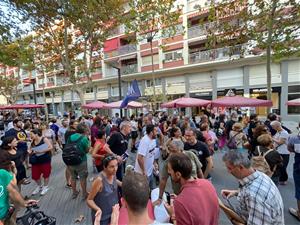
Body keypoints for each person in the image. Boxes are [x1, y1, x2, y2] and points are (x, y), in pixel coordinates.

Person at [221, 150, 284, 225]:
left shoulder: (254, 196)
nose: (228, 171)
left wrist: (234, 220)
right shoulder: (260, 175)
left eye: (230, 168)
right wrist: (236, 192)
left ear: (241, 167)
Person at [164, 153, 219, 225]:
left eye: (170, 170)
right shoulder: (207, 184)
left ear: (178, 174)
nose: (168, 172)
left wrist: (173, 215)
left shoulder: (180, 203)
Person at [154, 142, 203, 206]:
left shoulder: (191, 155)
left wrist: (202, 186)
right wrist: (160, 198)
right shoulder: (168, 162)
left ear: (181, 150)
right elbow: (163, 180)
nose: (171, 154)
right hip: (179, 194)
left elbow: (199, 171)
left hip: (195, 192)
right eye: (170, 150)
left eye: (174, 151)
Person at [0, 151, 37, 225]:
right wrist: (13, 171)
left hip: (4, 214)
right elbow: (13, 188)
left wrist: (23, 203)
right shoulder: (3, 173)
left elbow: (12, 191)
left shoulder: (2, 173)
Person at [87, 154, 121, 225]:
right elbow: (89, 200)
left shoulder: (113, 173)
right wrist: (98, 209)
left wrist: (125, 185)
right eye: (112, 166)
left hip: (113, 212)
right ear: (104, 167)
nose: (115, 169)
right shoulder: (99, 180)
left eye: (116, 165)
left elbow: (115, 181)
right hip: (102, 218)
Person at [68, 123, 90, 199]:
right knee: (82, 177)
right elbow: (87, 150)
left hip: (70, 160)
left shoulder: (71, 137)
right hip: (81, 160)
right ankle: (84, 193)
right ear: (84, 130)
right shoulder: (84, 138)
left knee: (73, 177)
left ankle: (74, 192)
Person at [29, 129, 53, 196]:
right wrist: (30, 151)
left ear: (36, 134)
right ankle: (40, 186)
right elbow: (30, 149)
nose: (30, 136)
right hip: (36, 160)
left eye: (31, 134)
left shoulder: (44, 139)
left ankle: (45, 187)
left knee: (46, 174)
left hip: (45, 159)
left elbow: (51, 147)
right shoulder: (32, 141)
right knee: (35, 175)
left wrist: (41, 151)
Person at [134, 124, 158, 190]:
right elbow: (139, 158)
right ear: (151, 132)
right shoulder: (145, 141)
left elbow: (152, 153)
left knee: (153, 190)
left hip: (150, 171)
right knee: (143, 192)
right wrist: (144, 171)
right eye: (156, 131)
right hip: (142, 174)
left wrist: (154, 163)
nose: (157, 132)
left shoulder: (153, 140)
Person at [271, 120, 290, 185]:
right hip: (278, 151)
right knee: (279, 166)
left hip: (284, 152)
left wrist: (272, 138)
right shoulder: (278, 132)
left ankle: (284, 179)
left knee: (283, 166)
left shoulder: (284, 133)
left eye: (273, 126)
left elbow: (280, 142)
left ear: (277, 126)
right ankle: (281, 179)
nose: (272, 128)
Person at [287, 126, 300, 221]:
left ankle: (299, 213)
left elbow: (290, 149)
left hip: (299, 166)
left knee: (299, 189)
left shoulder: (294, 138)